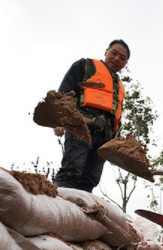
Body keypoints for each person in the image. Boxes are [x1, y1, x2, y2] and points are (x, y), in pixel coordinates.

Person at [53, 39, 130, 192]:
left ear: (125, 64)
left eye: (122, 58)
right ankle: (59, 205)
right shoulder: (86, 66)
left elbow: (116, 117)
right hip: (81, 128)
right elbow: (64, 92)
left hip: (104, 140)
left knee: (90, 180)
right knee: (71, 170)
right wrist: (58, 120)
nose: (116, 59)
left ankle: (81, 212)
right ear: (106, 51)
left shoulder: (120, 87)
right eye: (114, 53)